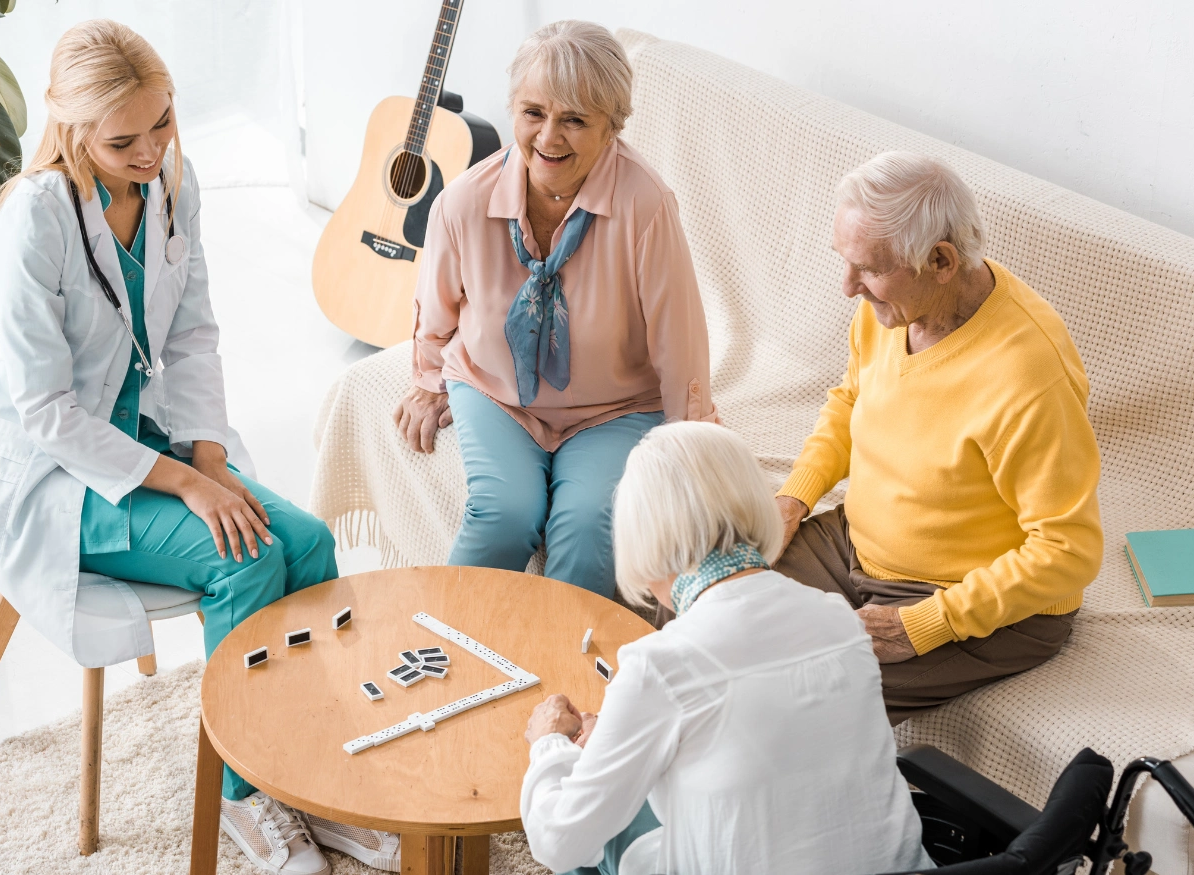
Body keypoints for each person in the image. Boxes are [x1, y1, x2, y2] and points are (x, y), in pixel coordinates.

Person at [0, 21, 387, 875]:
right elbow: (45, 410)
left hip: (145, 432)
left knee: (309, 542)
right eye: (123, 139)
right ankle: (243, 801)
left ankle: (301, 770)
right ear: (68, 124)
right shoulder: (35, 220)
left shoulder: (170, 185)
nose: (151, 150)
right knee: (242, 561)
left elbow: (191, 335)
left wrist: (211, 461)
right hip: (58, 473)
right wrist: (184, 485)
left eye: (162, 124)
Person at [772, 151, 1104, 723]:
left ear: (941, 260)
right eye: (845, 263)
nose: (848, 287)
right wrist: (794, 497)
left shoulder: (1028, 374)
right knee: (709, 598)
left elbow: (1068, 549)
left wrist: (926, 624)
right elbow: (851, 401)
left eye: (868, 269)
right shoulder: (892, 309)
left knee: (794, 698)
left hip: (967, 600)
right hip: (855, 544)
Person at [519, 422, 932, 875]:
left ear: (641, 537)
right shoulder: (839, 620)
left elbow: (558, 843)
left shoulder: (658, 665)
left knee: (583, 838)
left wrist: (550, 745)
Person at [395, 20, 715, 598]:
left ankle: (565, 676)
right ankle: (444, 653)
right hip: (496, 392)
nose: (549, 137)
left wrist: (688, 441)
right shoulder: (463, 202)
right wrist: (427, 380)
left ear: (612, 127)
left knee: (590, 526)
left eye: (575, 119)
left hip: (615, 407)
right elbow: (436, 310)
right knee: (504, 515)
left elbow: (678, 336)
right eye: (534, 112)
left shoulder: (646, 205)